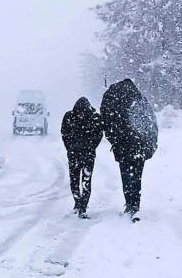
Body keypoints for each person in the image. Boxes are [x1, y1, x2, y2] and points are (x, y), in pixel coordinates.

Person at [100, 78, 158, 220]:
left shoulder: (114, 101)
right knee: (137, 176)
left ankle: (129, 203)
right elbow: (151, 123)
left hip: (123, 147)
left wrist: (115, 140)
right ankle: (135, 205)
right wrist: (150, 144)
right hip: (140, 147)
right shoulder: (139, 100)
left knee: (126, 176)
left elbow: (107, 123)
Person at [61, 97, 103, 218]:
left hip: (87, 155)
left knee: (86, 182)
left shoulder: (95, 118)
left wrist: (91, 147)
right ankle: (77, 202)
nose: (81, 115)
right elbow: (64, 133)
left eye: (83, 112)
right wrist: (70, 148)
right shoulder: (69, 117)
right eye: (79, 112)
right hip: (74, 155)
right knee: (74, 181)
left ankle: (83, 207)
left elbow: (99, 134)